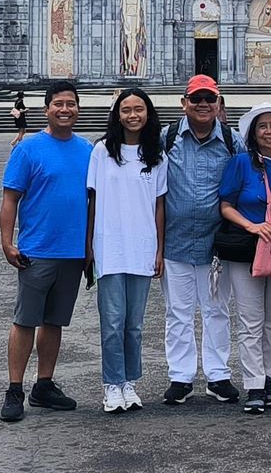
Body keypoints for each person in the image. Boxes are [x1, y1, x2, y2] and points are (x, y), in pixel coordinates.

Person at [0, 80, 92, 422]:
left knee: (54, 321)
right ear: (46, 109)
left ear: (78, 109)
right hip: (36, 249)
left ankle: (44, 384)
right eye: (59, 104)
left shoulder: (87, 150)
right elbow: (10, 200)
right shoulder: (28, 149)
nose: (65, 110)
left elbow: (93, 203)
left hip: (72, 253)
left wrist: (89, 248)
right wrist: (7, 242)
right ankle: (14, 389)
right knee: (25, 320)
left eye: (71, 104)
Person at [161, 74, 244, 405]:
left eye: (210, 98)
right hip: (175, 242)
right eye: (196, 98)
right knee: (177, 312)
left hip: (215, 245)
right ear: (184, 103)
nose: (203, 104)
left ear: (219, 103)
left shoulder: (232, 140)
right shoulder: (165, 138)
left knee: (216, 310)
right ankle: (180, 377)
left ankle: (218, 375)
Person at [86, 89, 167, 413]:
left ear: (148, 113)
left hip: (142, 246)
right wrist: (88, 246)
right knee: (113, 321)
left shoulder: (157, 155)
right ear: (117, 115)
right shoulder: (102, 151)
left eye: (139, 109)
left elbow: (160, 205)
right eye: (126, 110)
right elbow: (91, 201)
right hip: (110, 246)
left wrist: (160, 248)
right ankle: (111, 385)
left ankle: (130, 382)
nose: (133, 115)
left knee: (134, 323)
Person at [218, 103, 271, 414]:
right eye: (262, 126)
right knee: (251, 320)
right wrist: (251, 225)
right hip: (247, 250)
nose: (269, 131)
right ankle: (253, 383)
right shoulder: (241, 163)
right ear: (252, 133)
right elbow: (226, 204)